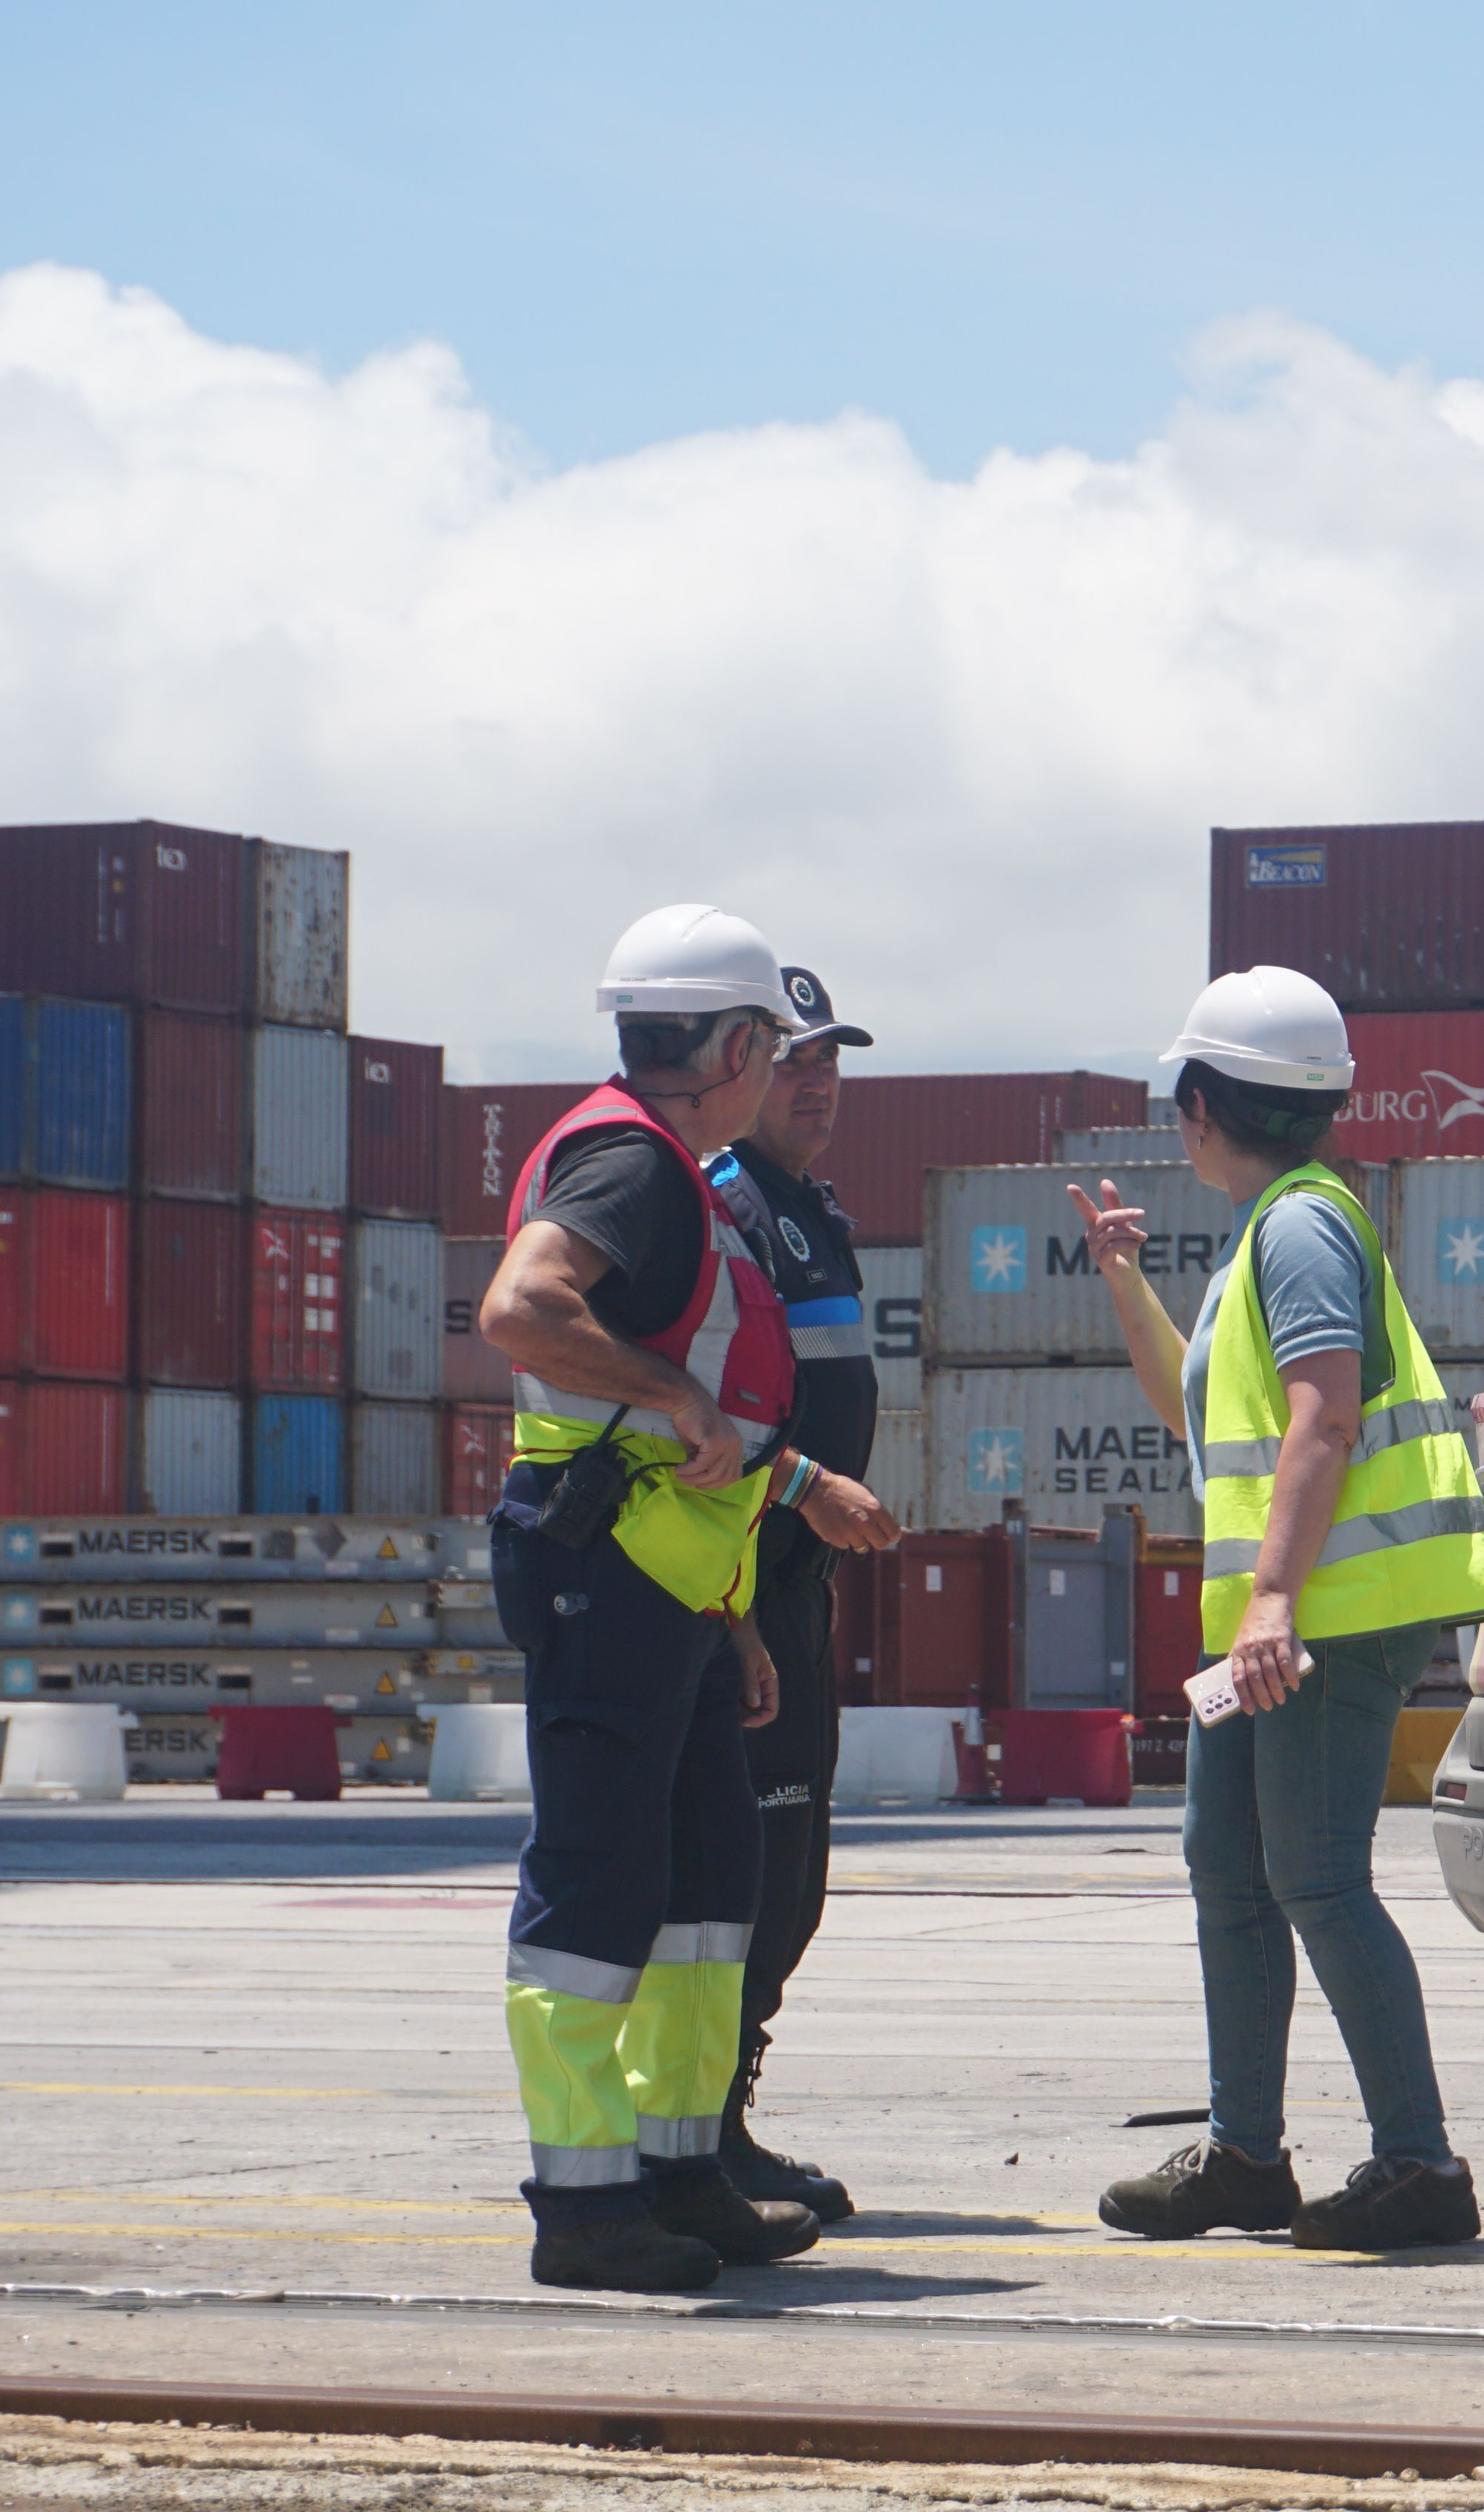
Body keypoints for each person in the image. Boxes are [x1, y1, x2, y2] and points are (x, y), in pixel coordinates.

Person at [1083, 965, 1484, 2252]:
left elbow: (1327, 1412)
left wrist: (1271, 1599)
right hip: (1273, 1627)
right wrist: (1125, 1283)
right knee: (1225, 1864)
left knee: (1316, 1878)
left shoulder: (1305, 1227)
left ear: (1205, 1100)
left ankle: (1420, 2168)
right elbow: (1201, 1417)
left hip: (1324, 1617)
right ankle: (1245, 2156)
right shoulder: (1264, 1231)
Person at [475, 903, 822, 2294]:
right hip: (599, 1575)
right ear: (734, 1042)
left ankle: (681, 2167)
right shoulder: (634, 1162)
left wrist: (731, 1617)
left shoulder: (669, 1160)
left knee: (705, 1880)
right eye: (773, 1045)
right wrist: (673, 1390)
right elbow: (520, 1308)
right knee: (605, 1878)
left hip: (665, 1584)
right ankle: (586, 2203)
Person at [705, 965, 908, 2223]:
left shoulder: (809, 1210)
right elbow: (706, 1416)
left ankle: (724, 2113)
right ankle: (701, 2128)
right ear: (738, 1067)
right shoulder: (724, 1205)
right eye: (795, 1059)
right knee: (750, 1869)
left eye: (834, 1057)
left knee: (793, 1870)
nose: (821, 1081)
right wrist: (797, 1503)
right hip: (740, 1583)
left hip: (796, 1583)